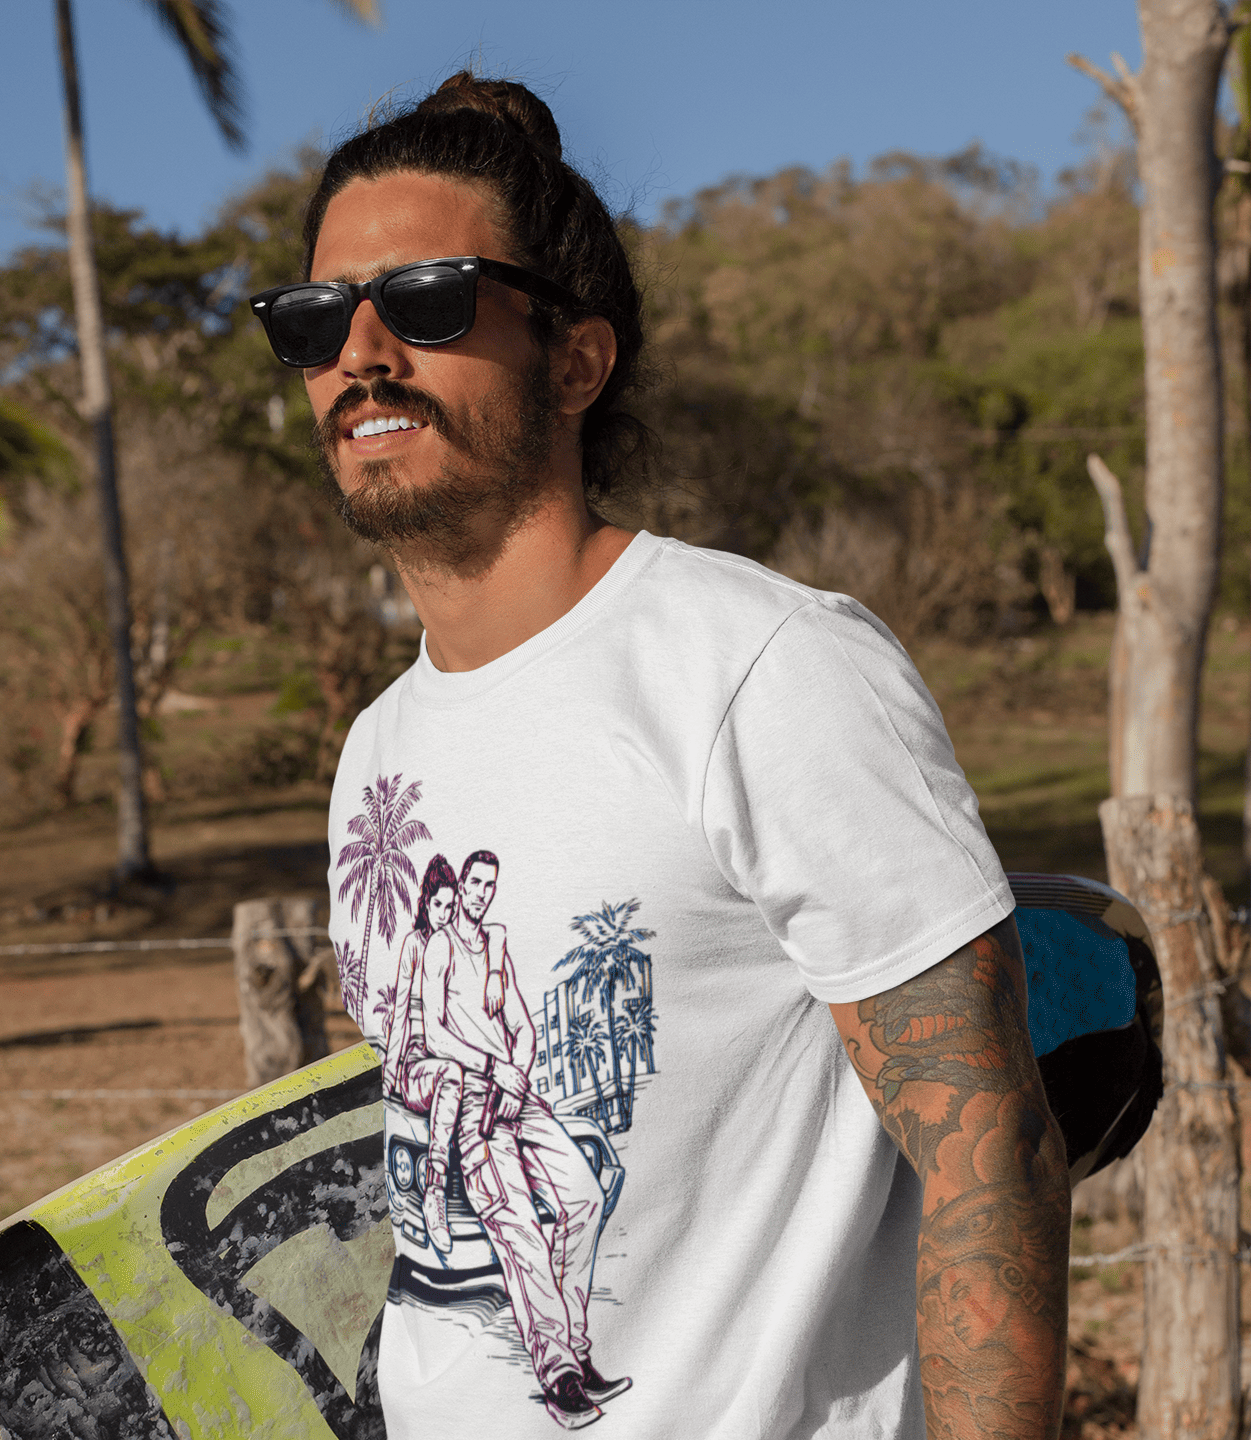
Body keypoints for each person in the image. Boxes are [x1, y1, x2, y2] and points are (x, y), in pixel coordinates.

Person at [256, 70, 1070, 1439]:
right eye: (317, 317)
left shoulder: (760, 668)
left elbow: (995, 1153)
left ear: (577, 359)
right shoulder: (379, 749)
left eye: (434, 302)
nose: (365, 354)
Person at [416, 850, 616, 1427]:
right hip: (476, 1104)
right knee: (520, 1229)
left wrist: (517, 1071)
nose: (480, 893)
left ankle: (577, 1351)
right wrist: (490, 1067)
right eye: (473, 882)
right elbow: (434, 1031)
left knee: (585, 1199)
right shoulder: (439, 947)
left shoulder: (496, 942)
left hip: (517, 1094)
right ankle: (559, 1375)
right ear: (461, 883)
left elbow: (522, 1025)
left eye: (489, 885)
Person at [383, 853, 467, 1252]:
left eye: (451, 907)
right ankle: (434, 1192)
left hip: (452, 1058)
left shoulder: (457, 950)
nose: (444, 914)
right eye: (438, 905)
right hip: (417, 1064)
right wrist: (391, 1070)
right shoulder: (415, 946)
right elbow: (400, 1011)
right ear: (426, 902)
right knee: (452, 1076)